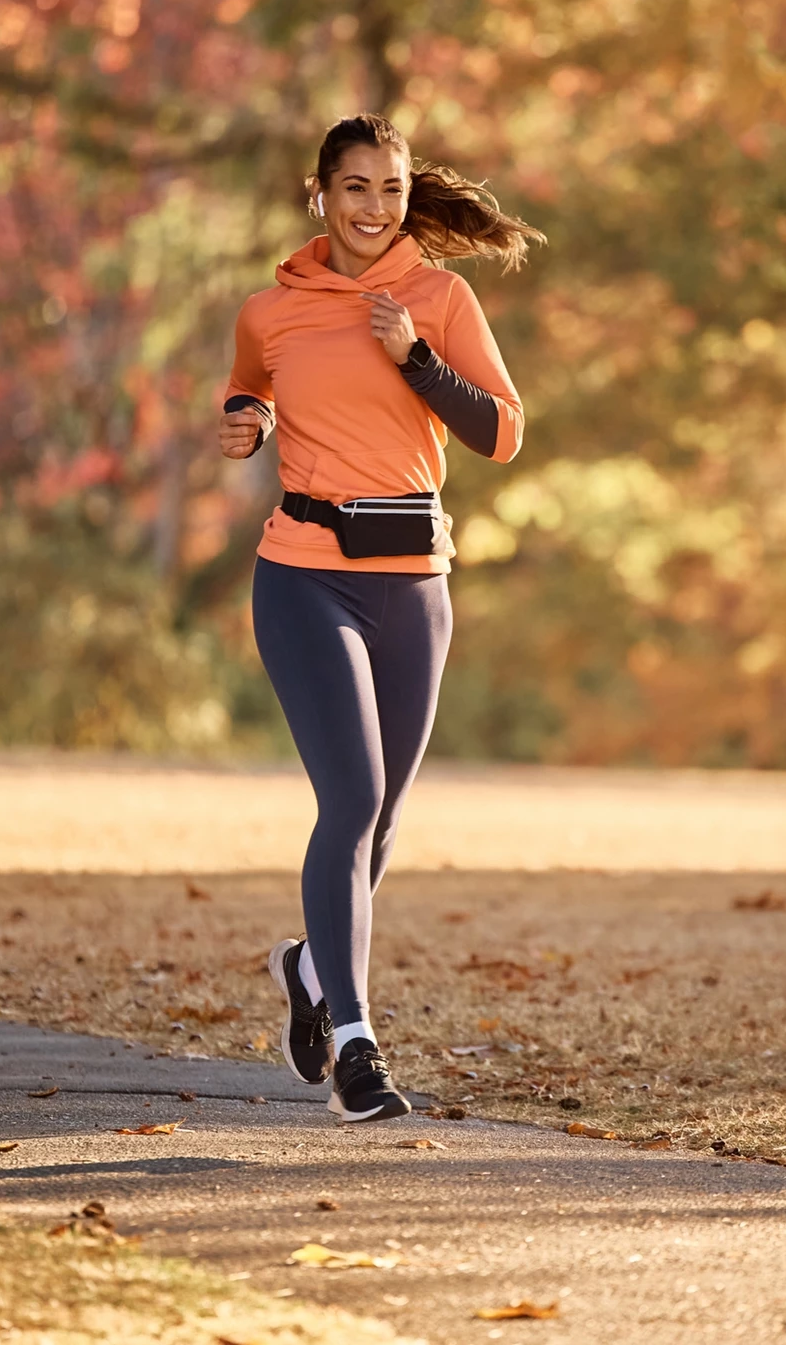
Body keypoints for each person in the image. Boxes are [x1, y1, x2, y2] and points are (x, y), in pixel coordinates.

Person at [218, 114, 541, 1122]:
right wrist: (246, 421)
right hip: (303, 572)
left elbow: (501, 433)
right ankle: (356, 1045)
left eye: (390, 191)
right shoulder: (270, 311)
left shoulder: (438, 298)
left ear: (407, 197)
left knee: (387, 818)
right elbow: (248, 391)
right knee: (350, 801)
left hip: (413, 580)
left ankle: (309, 968)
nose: (372, 208)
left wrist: (415, 359)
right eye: (353, 188)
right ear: (318, 194)